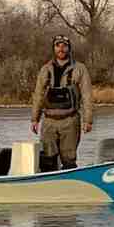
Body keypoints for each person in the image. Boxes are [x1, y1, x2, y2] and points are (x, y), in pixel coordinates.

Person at [31, 34, 93, 171]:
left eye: (64, 46)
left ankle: (70, 182)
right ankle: (49, 183)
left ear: (69, 48)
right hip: (48, 121)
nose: (61, 49)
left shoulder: (80, 68)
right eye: (58, 45)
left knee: (69, 160)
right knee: (47, 159)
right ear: (53, 48)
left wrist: (88, 120)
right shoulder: (45, 69)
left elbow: (87, 95)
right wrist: (35, 119)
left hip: (70, 121)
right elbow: (38, 95)